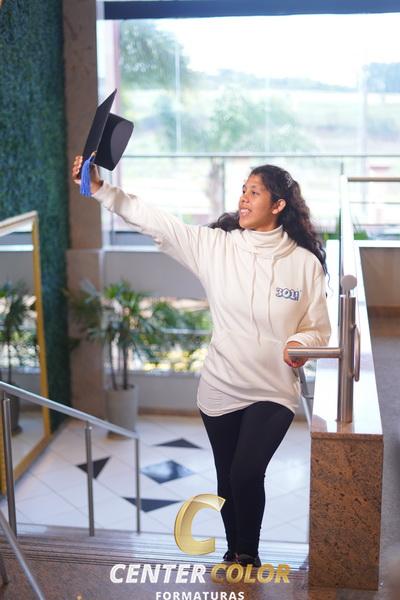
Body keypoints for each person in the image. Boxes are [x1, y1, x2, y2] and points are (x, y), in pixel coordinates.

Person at [72, 157, 331, 568]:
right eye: (243, 191)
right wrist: (104, 189)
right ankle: (235, 552)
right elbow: (155, 221)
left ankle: (249, 554)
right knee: (227, 476)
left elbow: (319, 328)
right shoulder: (217, 247)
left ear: (278, 204)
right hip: (221, 387)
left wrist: (300, 341)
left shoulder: (304, 264)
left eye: (254, 192)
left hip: (273, 389)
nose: (243, 199)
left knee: (247, 473)